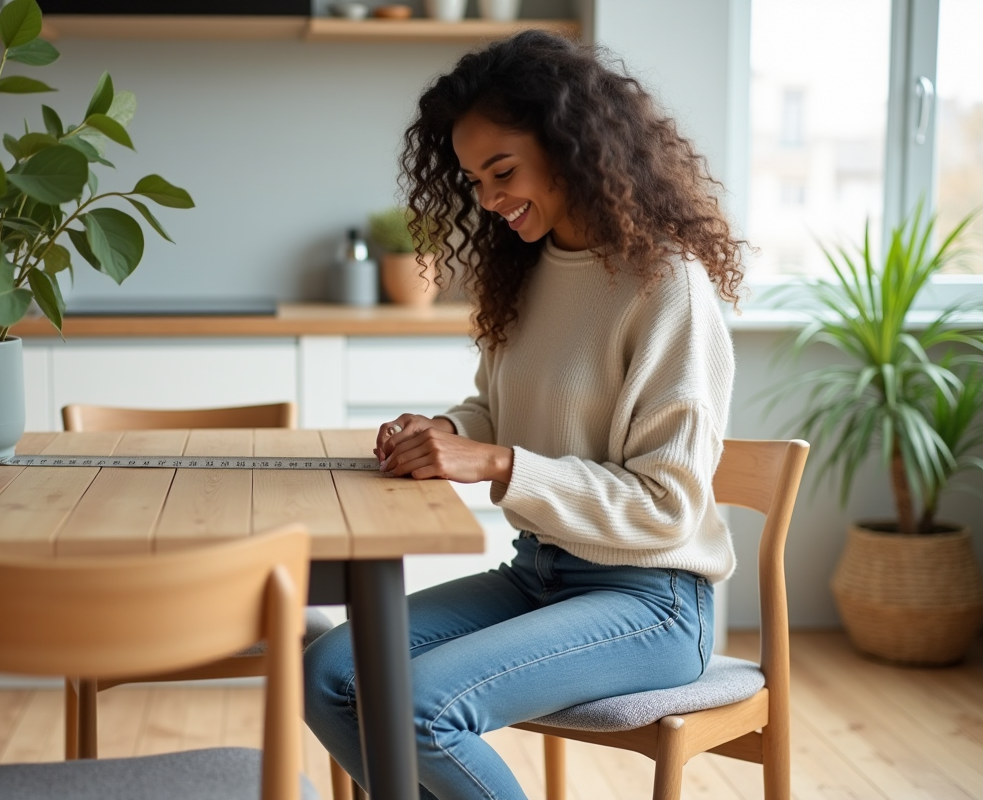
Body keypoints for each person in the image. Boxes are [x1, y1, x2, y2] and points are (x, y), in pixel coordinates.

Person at [304, 30, 746, 800]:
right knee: (330, 672)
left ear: (575, 144)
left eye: (501, 171)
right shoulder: (528, 271)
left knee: (415, 708)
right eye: (473, 178)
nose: (485, 199)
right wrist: (448, 433)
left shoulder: (667, 283)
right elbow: (493, 408)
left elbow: (668, 507)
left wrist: (499, 465)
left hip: (651, 601)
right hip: (539, 574)